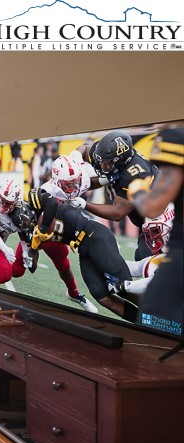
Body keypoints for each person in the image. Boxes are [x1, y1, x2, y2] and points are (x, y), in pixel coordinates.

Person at [22, 188, 134, 320]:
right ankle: (142, 321)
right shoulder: (36, 231)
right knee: (101, 295)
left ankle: (157, 314)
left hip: (94, 235)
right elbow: (33, 268)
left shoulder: (50, 211)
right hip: (82, 248)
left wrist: (40, 231)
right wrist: (32, 250)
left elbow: (51, 206)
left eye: (27, 219)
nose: (28, 223)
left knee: (124, 287)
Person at [128, 125, 184, 338]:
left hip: (180, 259)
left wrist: (139, 191)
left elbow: (153, 207)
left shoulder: (177, 138)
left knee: (151, 327)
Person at [84, 131, 170, 260]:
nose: (102, 166)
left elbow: (117, 213)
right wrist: (74, 158)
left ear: (120, 161)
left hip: (160, 218)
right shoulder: (104, 153)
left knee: (145, 257)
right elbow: (84, 150)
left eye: (107, 163)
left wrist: (82, 204)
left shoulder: (135, 175)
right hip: (146, 216)